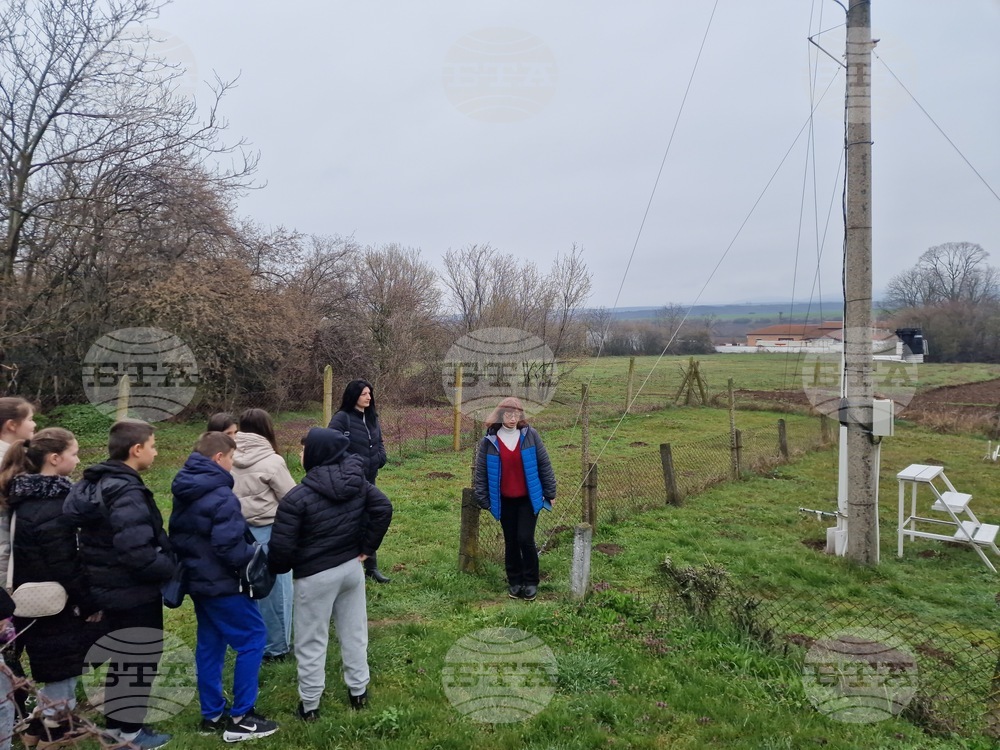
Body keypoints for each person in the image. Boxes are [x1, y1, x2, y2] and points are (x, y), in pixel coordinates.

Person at [62, 420, 174, 750]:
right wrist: (169, 567)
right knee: (137, 662)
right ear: (136, 449)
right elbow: (136, 550)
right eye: (153, 445)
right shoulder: (127, 492)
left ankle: (116, 726)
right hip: (133, 592)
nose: (155, 452)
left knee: (123, 661)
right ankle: (130, 734)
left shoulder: (98, 483)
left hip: (108, 587)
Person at [269, 428, 392, 720]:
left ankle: (310, 705)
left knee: (311, 641)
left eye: (303, 449)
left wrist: (280, 567)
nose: (299, 455)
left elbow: (280, 550)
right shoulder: (358, 483)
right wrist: (366, 548)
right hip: (351, 570)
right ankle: (358, 693)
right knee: (355, 632)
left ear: (316, 454)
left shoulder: (296, 499)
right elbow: (383, 508)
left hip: (315, 578)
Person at [169, 431, 278, 742]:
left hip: (198, 582)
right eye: (231, 458)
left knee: (210, 645)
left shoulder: (184, 489)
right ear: (219, 458)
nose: (233, 465)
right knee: (253, 638)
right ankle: (242, 717)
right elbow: (229, 546)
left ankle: (212, 713)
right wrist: (256, 555)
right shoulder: (221, 496)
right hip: (223, 585)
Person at [0, 428, 101, 748]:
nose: (78, 459)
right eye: (74, 453)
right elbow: (64, 562)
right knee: (60, 672)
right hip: (55, 603)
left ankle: (35, 733)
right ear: (55, 459)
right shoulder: (53, 504)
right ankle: (54, 733)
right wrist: (87, 602)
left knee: (56, 666)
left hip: (35, 600)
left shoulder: (24, 497)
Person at [474, 397, 557, 601]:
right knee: (511, 541)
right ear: (501, 415)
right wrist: (483, 499)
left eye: (517, 414)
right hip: (504, 500)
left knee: (525, 539)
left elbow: (544, 464)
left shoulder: (530, 436)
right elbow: (481, 472)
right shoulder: (490, 441)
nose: (513, 418)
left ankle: (531, 582)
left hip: (528, 499)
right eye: (509, 414)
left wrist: (550, 492)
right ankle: (515, 581)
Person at [230, 409, 296, 662]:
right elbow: (290, 499)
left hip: (238, 532)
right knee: (276, 591)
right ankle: (277, 648)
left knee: (246, 587)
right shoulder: (272, 461)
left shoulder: (226, 456)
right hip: (269, 532)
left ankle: (250, 641)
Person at [328, 379, 390, 583]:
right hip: (350, 481)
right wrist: (352, 465)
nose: (368, 397)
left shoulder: (372, 418)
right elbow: (332, 446)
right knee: (351, 521)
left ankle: (371, 568)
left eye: (370, 393)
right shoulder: (341, 418)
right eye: (364, 393)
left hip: (370, 480)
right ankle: (344, 568)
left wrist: (381, 457)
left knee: (370, 519)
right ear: (353, 395)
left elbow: (379, 441)